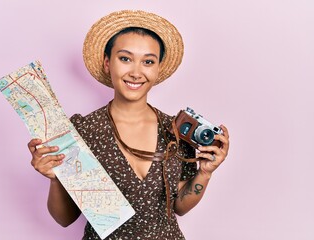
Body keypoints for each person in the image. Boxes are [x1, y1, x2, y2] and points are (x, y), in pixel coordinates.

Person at [27, 10, 230, 239]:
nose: (136, 72)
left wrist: (205, 173)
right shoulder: (83, 130)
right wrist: (56, 178)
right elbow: (64, 219)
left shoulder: (175, 130)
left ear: (158, 68)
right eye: (125, 58)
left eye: (148, 61)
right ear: (107, 63)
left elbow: (180, 206)